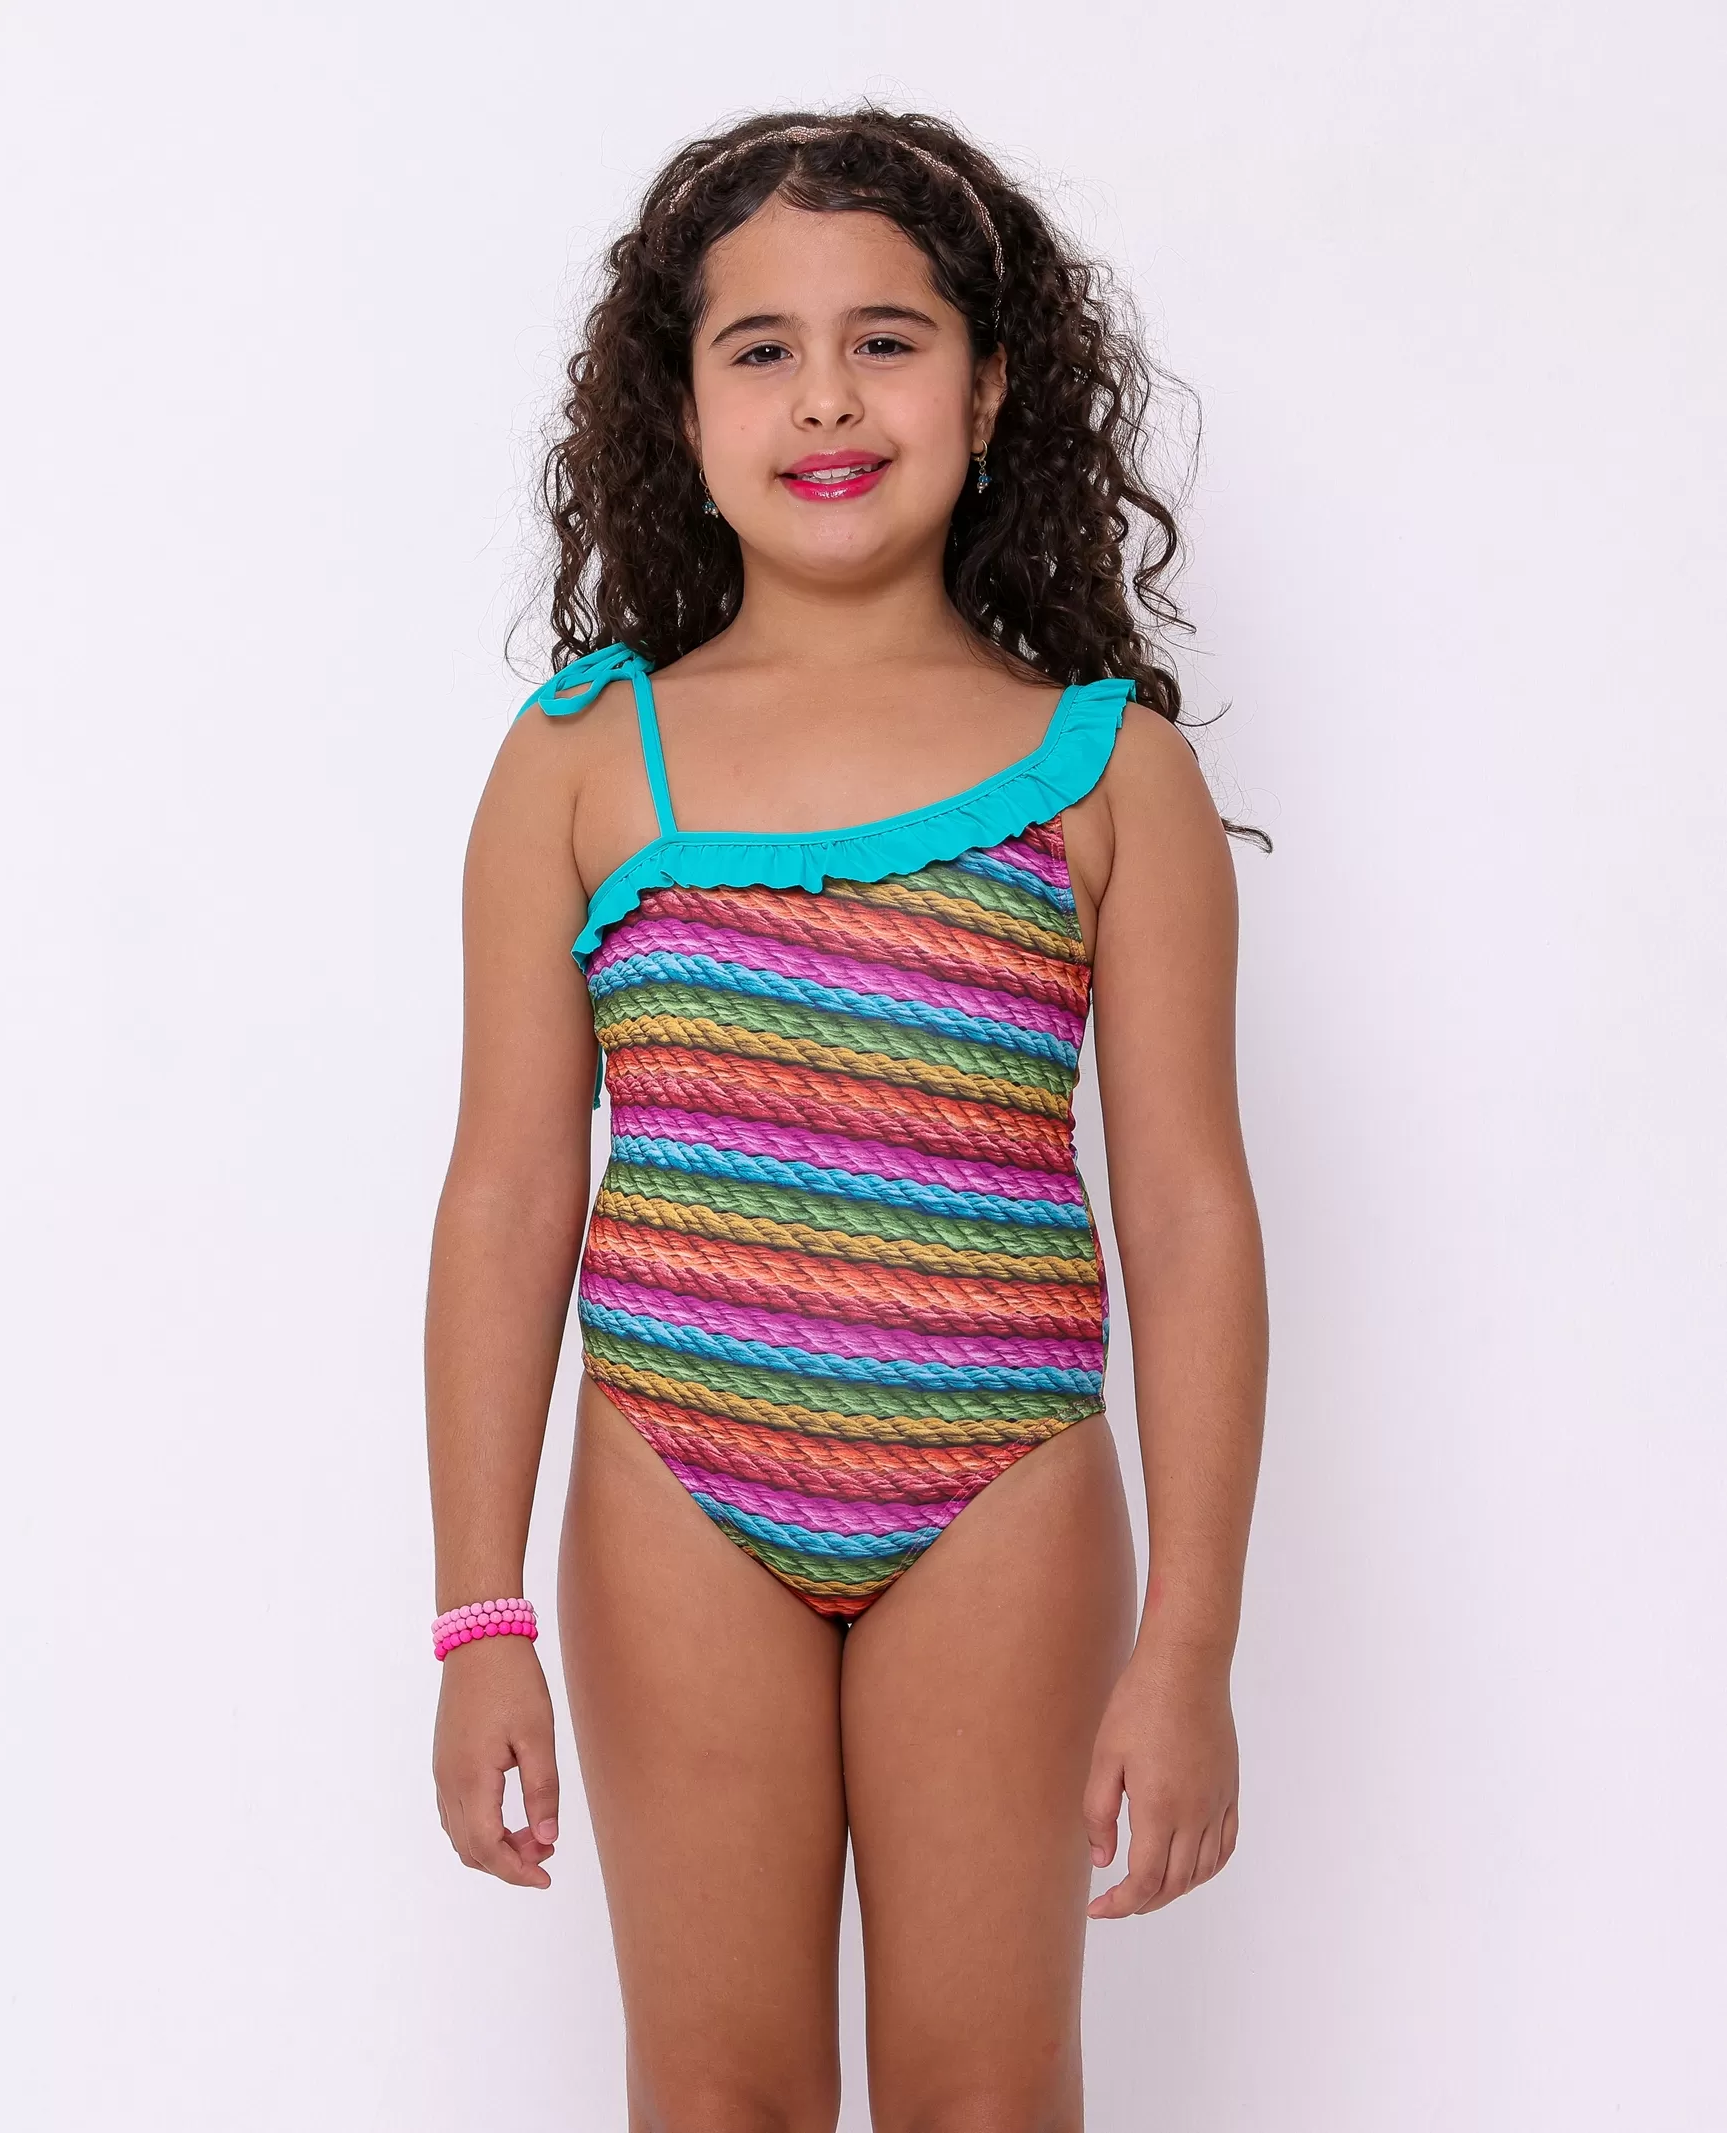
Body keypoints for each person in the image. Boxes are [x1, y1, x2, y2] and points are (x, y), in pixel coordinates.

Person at [425, 107, 1269, 2132]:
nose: (825, 396)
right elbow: (511, 1193)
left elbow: (1186, 1213)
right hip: (673, 1479)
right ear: (681, 406)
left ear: (989, 389)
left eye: (886, 340)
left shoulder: (1109, 772)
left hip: (1000, 1488)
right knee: (716, 2095)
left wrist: (1190, 1651)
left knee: (987, 2096)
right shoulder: (581, 761)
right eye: (762, 347)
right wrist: (476, 1618)